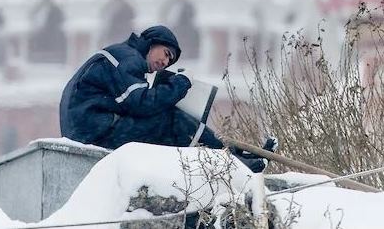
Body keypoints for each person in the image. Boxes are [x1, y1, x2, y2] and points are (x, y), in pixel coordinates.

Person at [59, 25, 271, 172]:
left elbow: (133, 104)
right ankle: (235, 162)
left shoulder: (123, 56)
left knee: (169, 127)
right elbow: (142, 104)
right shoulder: (128, 58)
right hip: (93, 133)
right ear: (153, 42)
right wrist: (180, 83)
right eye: (166, 53)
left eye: (170, 61)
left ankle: (236, 156)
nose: (165, 62)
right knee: (172, 120)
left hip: (90, 129)